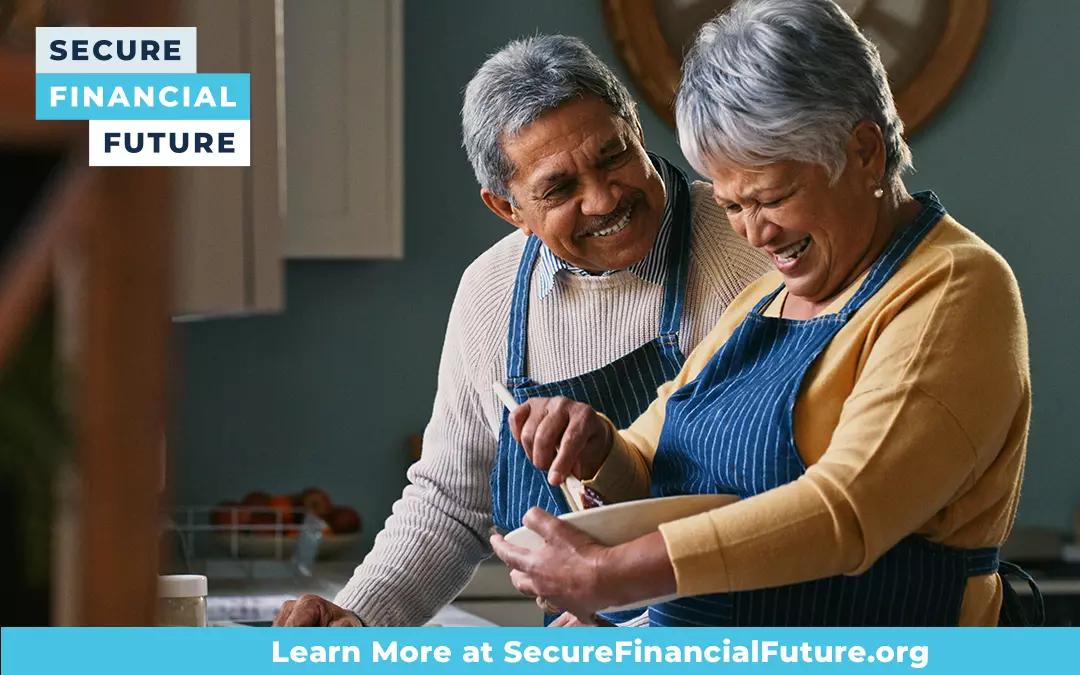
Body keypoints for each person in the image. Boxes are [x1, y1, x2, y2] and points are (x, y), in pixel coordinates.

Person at [490, 0, 1041, 627]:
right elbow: (649, 465)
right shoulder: (765, 301)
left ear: (863, 152)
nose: (755, 234)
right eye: (730, 205)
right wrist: (597, 450)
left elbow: (849, 509)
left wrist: (615, 576)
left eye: (772, 197)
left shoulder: (953, 288)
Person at [271, 35, 772, 627]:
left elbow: (795, 497)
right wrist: (358, 620)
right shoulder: (491, 292)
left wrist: (640, 631)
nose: (603, 199)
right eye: (559, 188)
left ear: (634, 127)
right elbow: (450, 503)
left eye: (613, 156)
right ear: (507, 208)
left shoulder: (757, 247)